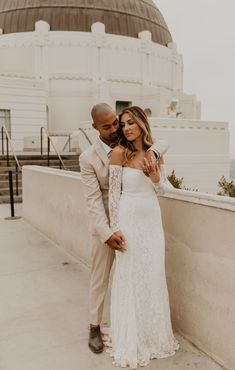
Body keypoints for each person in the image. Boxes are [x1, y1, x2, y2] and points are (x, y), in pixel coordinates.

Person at [79, 103, 169, 354]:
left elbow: (159, 143)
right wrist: (108, 232)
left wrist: (156, 155)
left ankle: (144, 327)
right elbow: (94, 201)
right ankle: (94, 326)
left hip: (141, 220)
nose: (115, 129)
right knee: (101, 276)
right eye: (107, 126)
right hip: (106, 223)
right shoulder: (87, 158)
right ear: (95, 127)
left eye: (116, 123)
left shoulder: (132, 142)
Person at [105, 106, 179, 368]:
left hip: (152, 223)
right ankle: (132, 338)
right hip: (128, 220)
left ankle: (152, 335)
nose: (126, 128)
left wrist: (157, 176)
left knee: (152, 275)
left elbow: (163, 191)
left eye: (130, 123)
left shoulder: (153, 154)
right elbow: (113, 195)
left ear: (141, 124)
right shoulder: (119, 153)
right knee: (130, 276)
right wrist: (114, 229)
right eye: (123, 124)